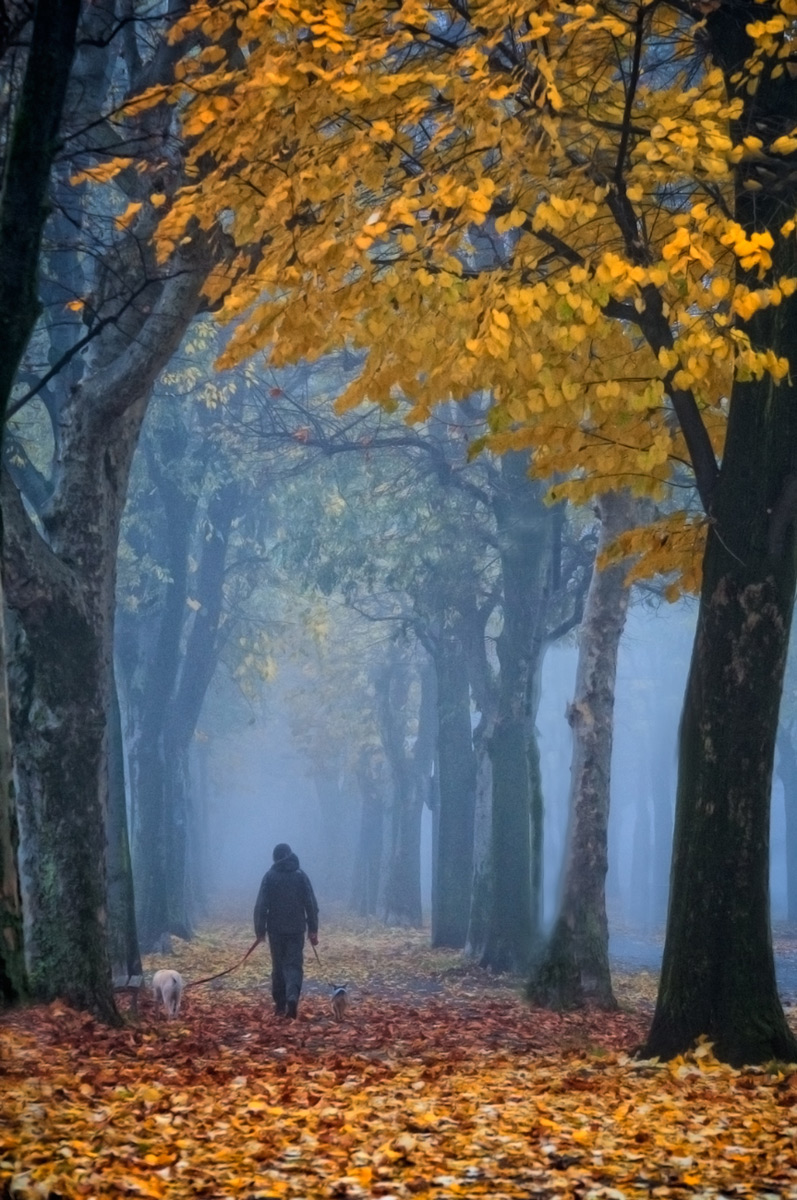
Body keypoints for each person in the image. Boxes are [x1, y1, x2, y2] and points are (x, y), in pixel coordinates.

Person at [254, 842, 319, 1019]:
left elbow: (261, 905)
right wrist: (313, 929)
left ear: (275, 858)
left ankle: (280, 1005)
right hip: (297, 929)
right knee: (294, 965)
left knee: (278, 967)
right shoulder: (300, 876)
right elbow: (311, 904)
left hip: (275, 930)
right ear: (290, 855)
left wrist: (260, 930)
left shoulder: (270, 876)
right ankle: (292, 997)